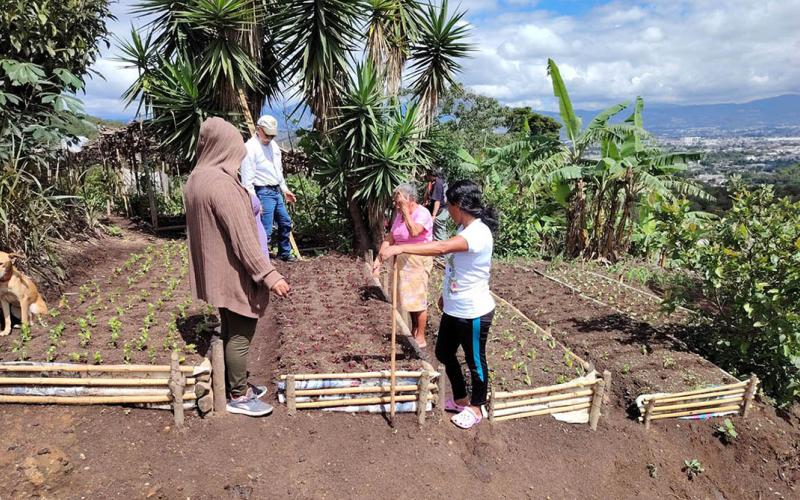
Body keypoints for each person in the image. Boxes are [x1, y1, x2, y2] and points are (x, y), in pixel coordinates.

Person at [184, 117, 291, 417]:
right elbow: (244, 239)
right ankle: (239, 395)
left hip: (216, 272)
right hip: (234, 271)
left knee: (229, 324)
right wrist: (270, 276)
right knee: (242, 331)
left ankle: (236, 383)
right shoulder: (222, 185)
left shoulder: (196, 179)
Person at [379, 180, 498, 429]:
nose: (447, 211)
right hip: (455, 307)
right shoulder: (465, 231)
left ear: (459, 206)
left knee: (475, 360)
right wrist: (446, 295)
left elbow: (441, 248)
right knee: (444, 352)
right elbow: (456, 267)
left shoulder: (478, 232)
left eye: (449, 206)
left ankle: (477, 408)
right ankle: (460, 399)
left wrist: (399, 248)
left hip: (474, 311)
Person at [372, 183, 434, 348]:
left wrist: (405, 210)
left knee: (417, 299)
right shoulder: (399, 215)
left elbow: (414, 232)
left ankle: (420, 337)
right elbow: (390, 238)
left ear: (410, 199)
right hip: (403, 262)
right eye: (395, 202)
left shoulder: (422, 213)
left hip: (418, 260)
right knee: (408, 300)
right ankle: (413, 331)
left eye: (398, 201)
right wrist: (378, 260)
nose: (396, 205)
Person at [240, 114, 298, 262]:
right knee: (265, 229)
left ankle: (284, 252)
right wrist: (254, 201)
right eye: (267, 134)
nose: (270, 138)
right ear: (259, 130)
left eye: (273, 135)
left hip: (276, 191)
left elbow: (278, 170)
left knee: (285, 222)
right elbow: (247, 179)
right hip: (262, 192)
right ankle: (262, 259)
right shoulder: (250, 148)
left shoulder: (273, 146)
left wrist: (284, 190)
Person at [423, 168, 449, 241]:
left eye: (427, 175)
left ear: (431, 175)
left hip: (440, 211)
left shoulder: (438, 184)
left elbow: (437, 200)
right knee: (436, 232)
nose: (426, 177)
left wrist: (434, 215)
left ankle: (443, 249)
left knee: (439, 233)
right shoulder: (433, 182)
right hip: (440, 210)